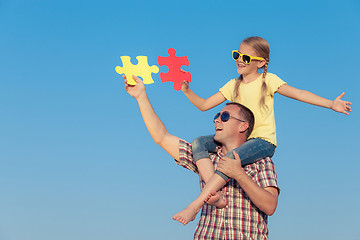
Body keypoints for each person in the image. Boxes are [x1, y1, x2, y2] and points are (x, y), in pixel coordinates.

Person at [175, 36, 352, 223]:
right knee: (198, 142)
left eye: (246, 58)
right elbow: (203, 105)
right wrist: (187, 90)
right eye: (237, 55)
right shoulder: (232, 85)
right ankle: (214, 192)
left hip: (262, 141)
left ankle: (196, 205)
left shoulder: (268, 81)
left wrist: (331, 103)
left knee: (230, 158)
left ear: (261, 62)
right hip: (240, 139)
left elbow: (299, 94)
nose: (239, 60)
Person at [124, 74, 280, 239]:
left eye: (225, 117)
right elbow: (161, 137)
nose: (217, 121)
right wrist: (141, 96)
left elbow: (270, 206)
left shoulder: (261, 161)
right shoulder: (206, 157)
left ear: (243, 126)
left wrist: (239, 174)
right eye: (216, 116)